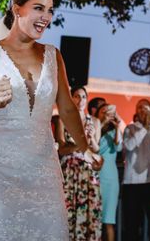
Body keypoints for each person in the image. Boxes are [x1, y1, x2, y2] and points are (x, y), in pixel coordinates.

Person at [0, 0, 95, 240]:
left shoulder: (54, 56)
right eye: (38, 8)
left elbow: (66, 107)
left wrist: (84, 147)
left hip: (42, 164)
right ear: (17, 9)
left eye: (50, 10)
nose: (46, 16)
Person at [56, 86, 103, 240]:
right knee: (68, 211)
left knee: (89, 211)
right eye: (77, 96)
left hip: (87, 171)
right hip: (69, 170)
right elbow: (62, 149)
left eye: (83, 97)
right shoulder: (63, 119)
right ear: (72, 98)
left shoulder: (95, 121)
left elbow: (96, 149)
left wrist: (91, 139)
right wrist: (82, 143)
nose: (80, 100)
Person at [122, 98, 150, 241]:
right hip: (132, 183)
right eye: (139, 108)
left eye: (146, 108)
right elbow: (130, 146)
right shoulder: (130, 128)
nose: (142, 111)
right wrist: (144, 128)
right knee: (132, 225)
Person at [97, 104, 124, 241]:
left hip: (110, 179)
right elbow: (92, 147)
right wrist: (101, 124)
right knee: (95, 219)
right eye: (103, 112)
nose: (107, 114)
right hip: (95, 177)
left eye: (109, 112)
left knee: (108, 220)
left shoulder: (114, 131)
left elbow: (119, 146)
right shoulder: (94, 129)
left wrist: (118, 126)